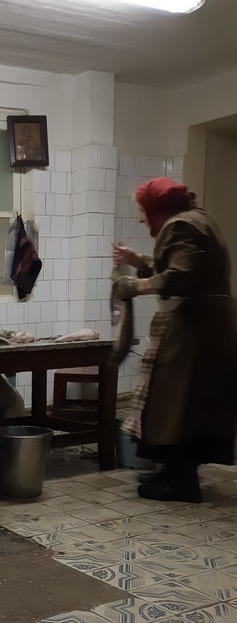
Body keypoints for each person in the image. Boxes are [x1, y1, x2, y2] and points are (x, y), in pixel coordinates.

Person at [113, 177, 236, 502]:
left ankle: (181, 482)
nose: (141, 218)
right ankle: (175, 474)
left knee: (176, 401)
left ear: (158, 206)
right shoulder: (199, 219)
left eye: (143, 210)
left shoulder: (180, 225)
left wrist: (134, 286)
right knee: (189, 402)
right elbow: (180, 265)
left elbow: (181, 275)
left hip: (193, 327)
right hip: (210, 325)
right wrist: (139, 261)